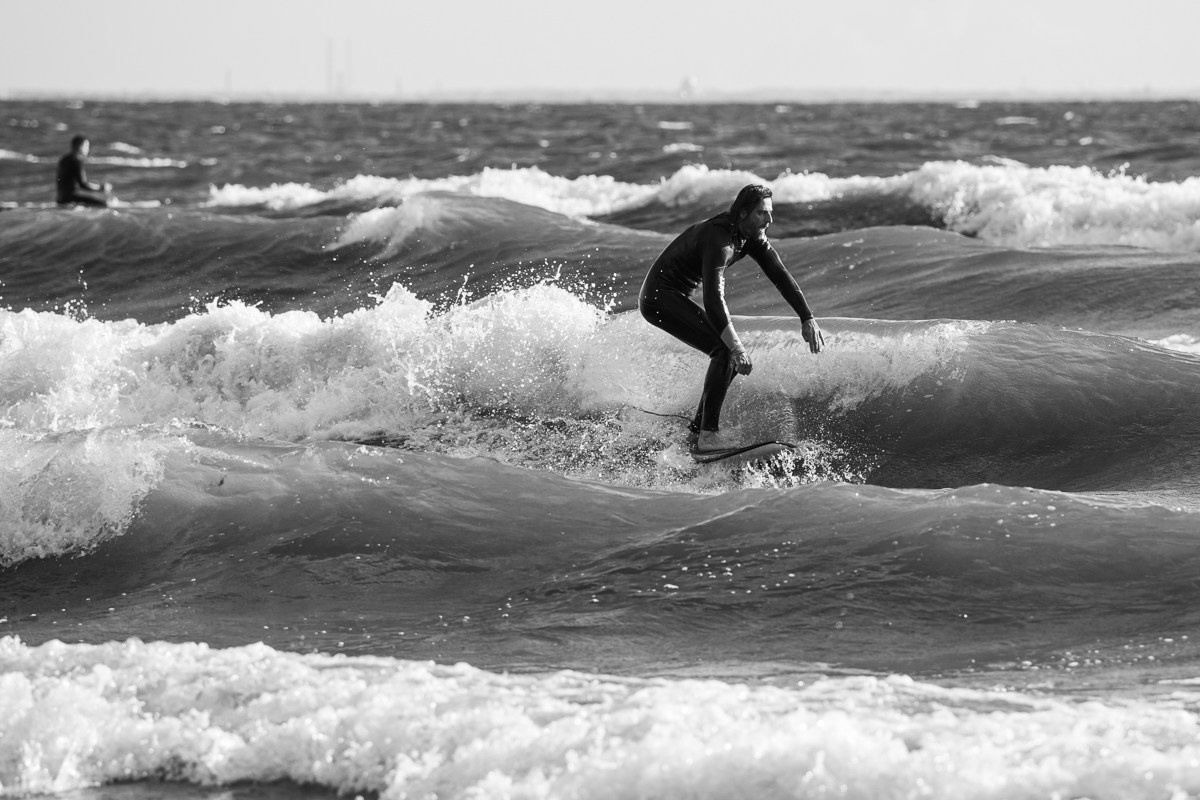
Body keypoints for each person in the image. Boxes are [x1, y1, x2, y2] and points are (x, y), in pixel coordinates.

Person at [639, 183, 824, 453]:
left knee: (724, 351)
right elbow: (713, 299)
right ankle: (707, 436)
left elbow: (780, 275)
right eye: (762, 213)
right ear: (743, 213)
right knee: (725, 351)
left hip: (674, 296)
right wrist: (736, 348)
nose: (769, 219)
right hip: (659, 298)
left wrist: (806, 317)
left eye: (770, 213)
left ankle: (696, 433)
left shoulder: (751, 236)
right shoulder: (719, 239)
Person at [56, 134, 112, 207]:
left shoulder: (64, 159)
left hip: (60, 200)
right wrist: (101, 188)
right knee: (105, 205)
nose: (88, 149)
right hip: (71, 200)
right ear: (80, 147)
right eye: (87, 146)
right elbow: (83, 184)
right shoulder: (77, 161)